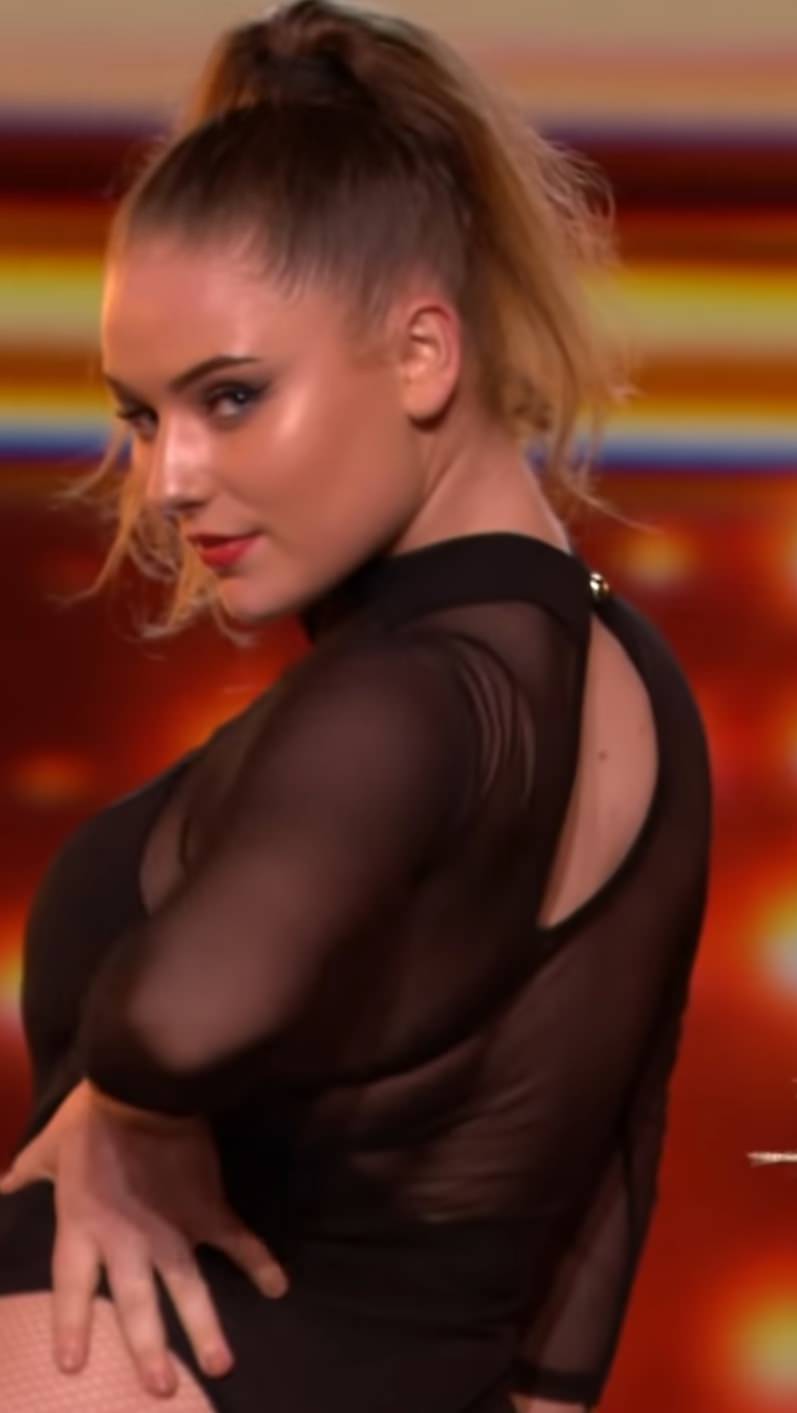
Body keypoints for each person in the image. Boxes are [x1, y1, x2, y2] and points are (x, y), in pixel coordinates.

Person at [0, 4, 710, 1410]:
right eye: (143, 417)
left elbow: (177, 1017)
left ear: (424, 353)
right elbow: (609, 1169)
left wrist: (125, 1103)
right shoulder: (631, 675)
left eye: (231, 397)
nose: (170, 480)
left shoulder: (416, 692)